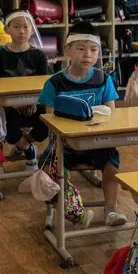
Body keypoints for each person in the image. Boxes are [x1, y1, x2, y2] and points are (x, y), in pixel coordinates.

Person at [38, 22, 127, 227]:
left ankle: (111, 210)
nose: (88, 54)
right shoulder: (54, 83)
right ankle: (69, 210)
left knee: (111, 162)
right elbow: (50, 121)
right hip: (65, 144)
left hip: (97, 142)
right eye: (81, 48)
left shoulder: (103, 79)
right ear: (68, 50)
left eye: (93, 50)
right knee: (48, 167)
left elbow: (111, 115)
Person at [0, 10, 49, 171]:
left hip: (34, 104)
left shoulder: (39, 55)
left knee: (45, 129)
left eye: (26, 27)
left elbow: (45, 85)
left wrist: (33, 101)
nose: (22, 31)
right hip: (9, 107)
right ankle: (28, 149)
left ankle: (24, 146)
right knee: (10, 133)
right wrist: (11, 104)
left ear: (32, 30)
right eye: (16, 27)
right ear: (7, 29)